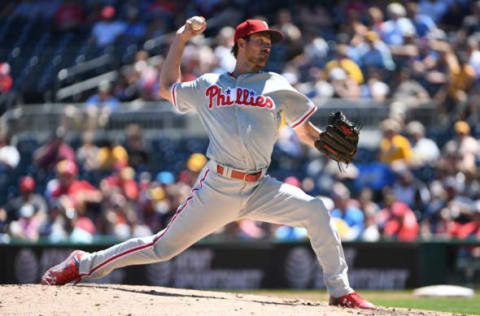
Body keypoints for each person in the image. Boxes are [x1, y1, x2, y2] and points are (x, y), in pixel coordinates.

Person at [42, 18, 376, 310]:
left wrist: (324, 143)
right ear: (240, 43)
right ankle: (83, 264)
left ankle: (340, 291)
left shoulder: (277, 84)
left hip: (260, 186)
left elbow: (303, 130)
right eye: (259, 41)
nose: (266, 48)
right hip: (218, 187)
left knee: (316, 210)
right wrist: (181, 38)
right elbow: (165, 88)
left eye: (269, 43)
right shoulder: (208, 85)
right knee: (162, 248)